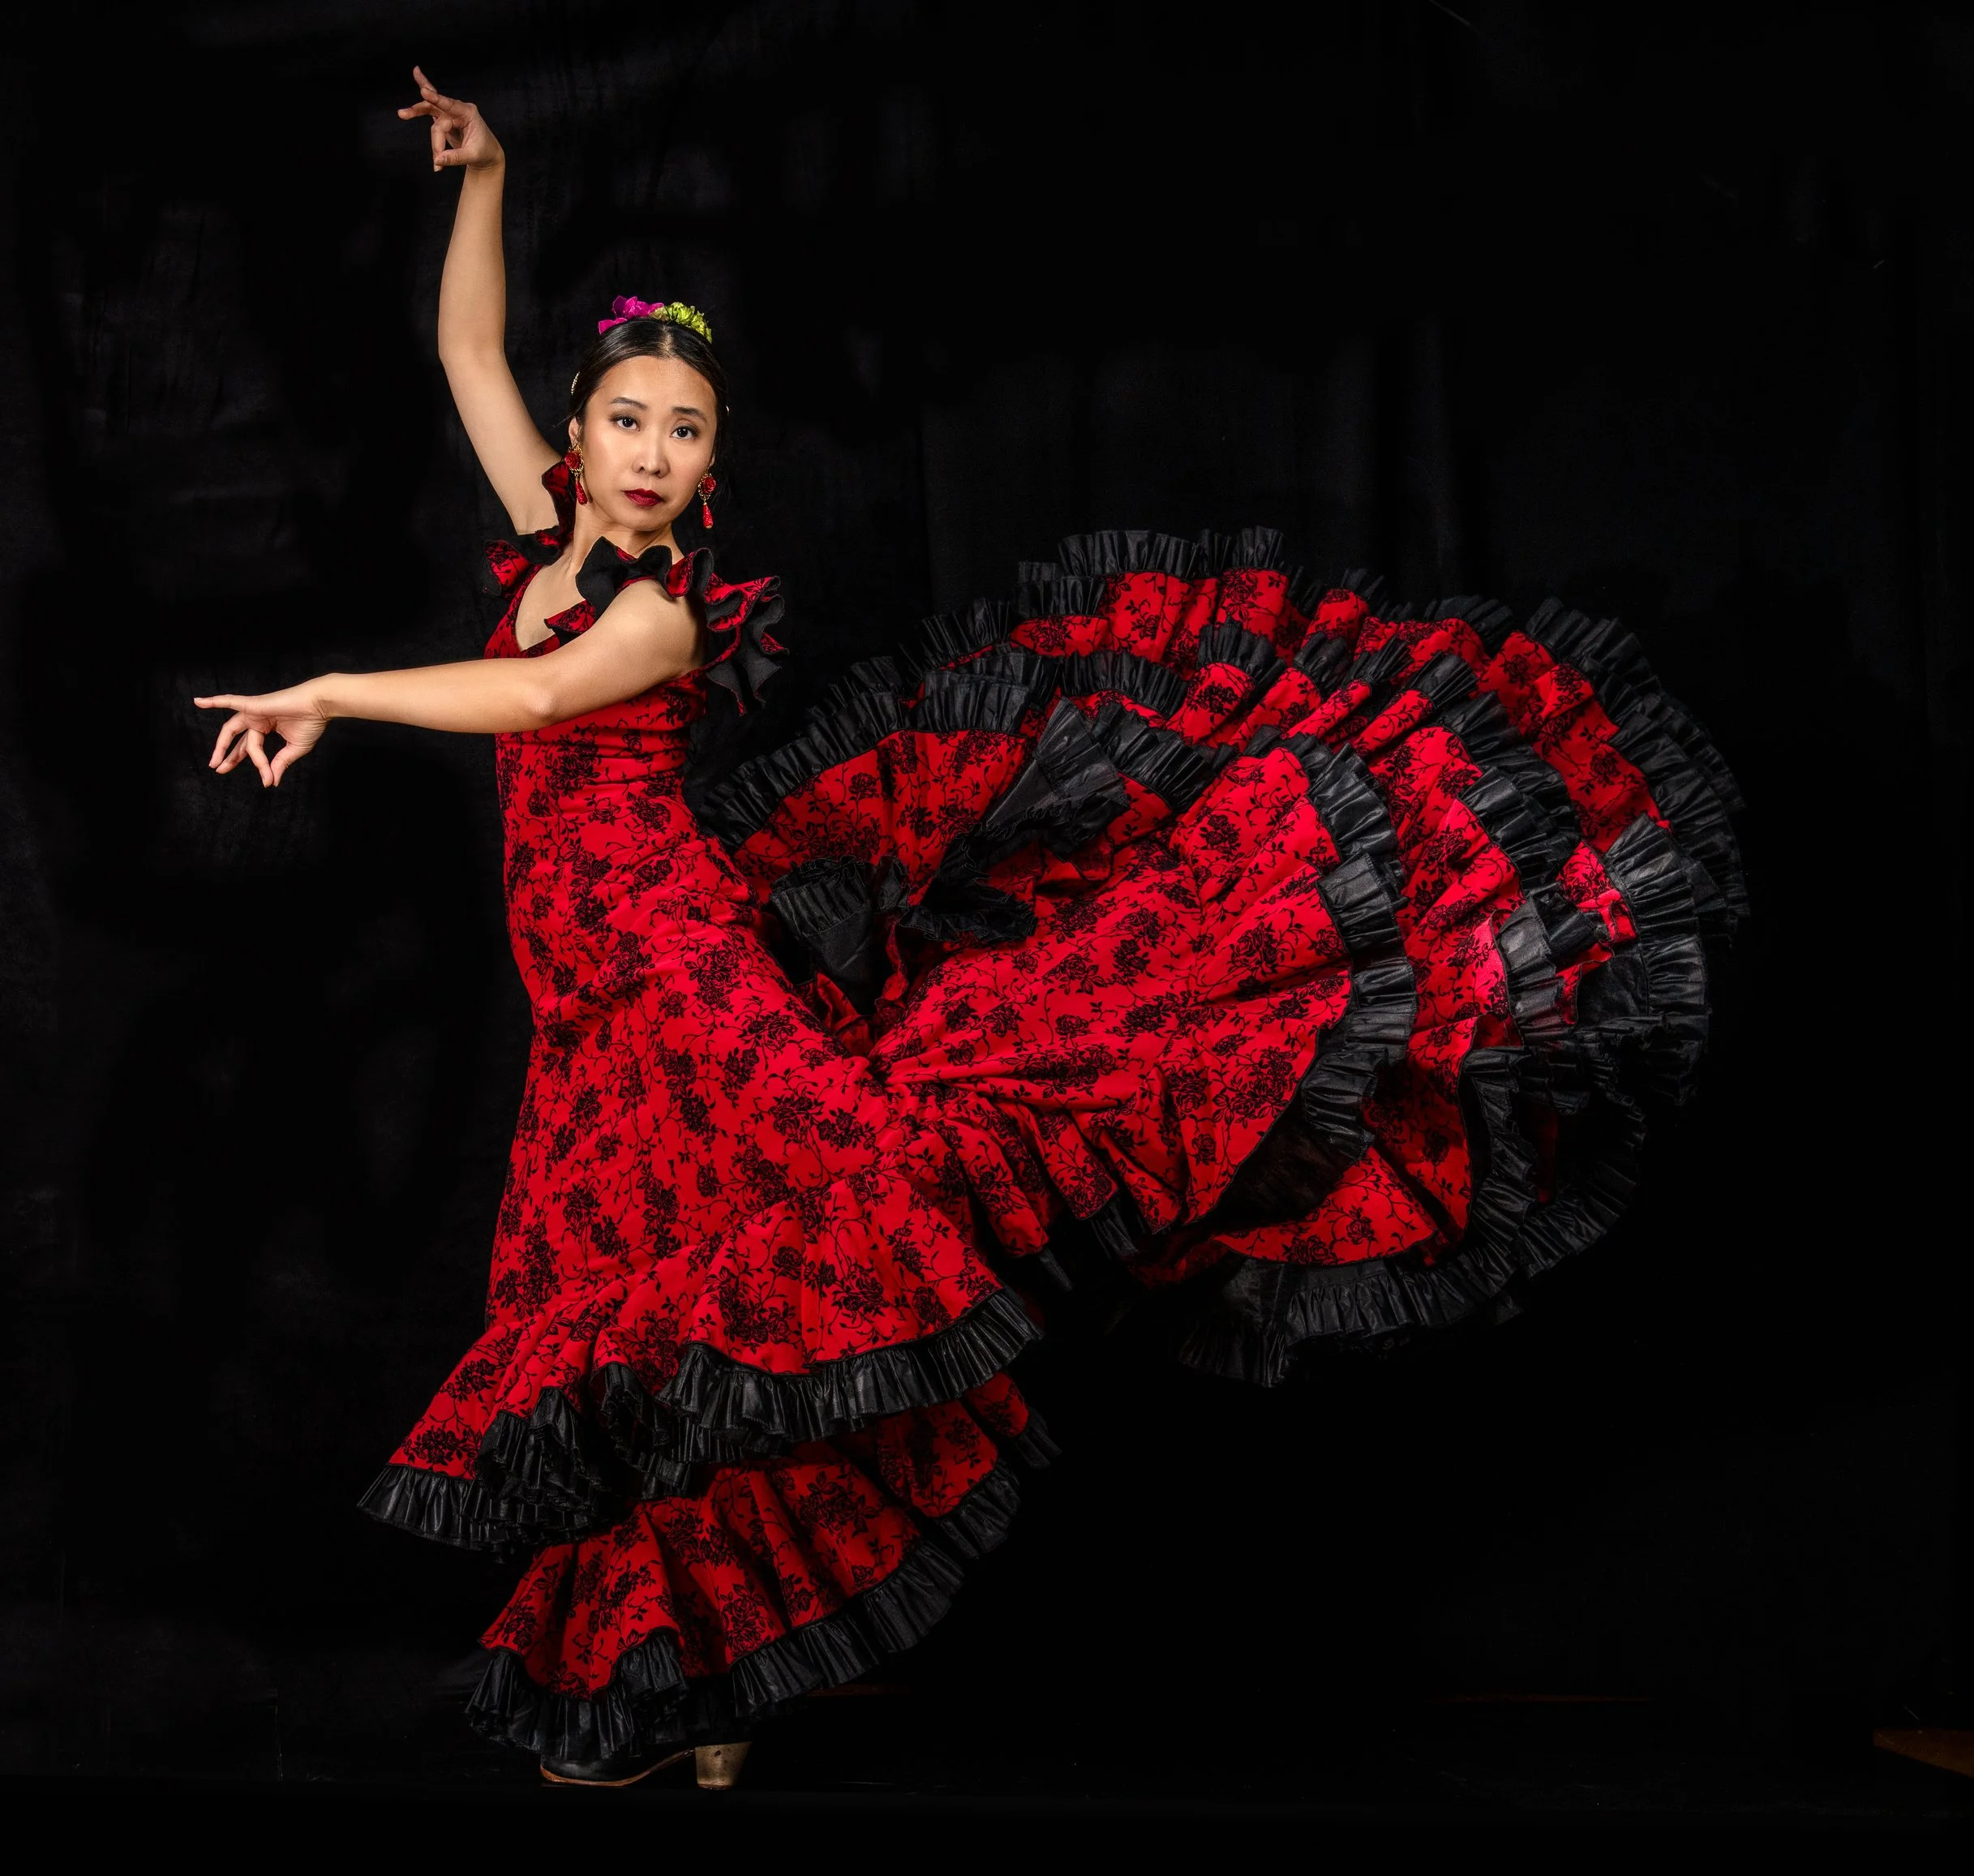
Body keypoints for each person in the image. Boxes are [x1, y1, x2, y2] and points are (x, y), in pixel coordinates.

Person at [194, 67, 1744, 1789]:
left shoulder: (646, 616)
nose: (651, 452)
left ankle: (685, 1687)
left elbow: (538, 695)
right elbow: (468, 357)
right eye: (628, 418)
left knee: (779, 1286)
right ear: (586, 434)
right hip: (592, 1014)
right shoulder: (548, 538)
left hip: (687, 985)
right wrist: (489, 175)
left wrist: (331, 682)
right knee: (680, 1343)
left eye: (686, 429)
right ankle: (708, 1689)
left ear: (712, 465)